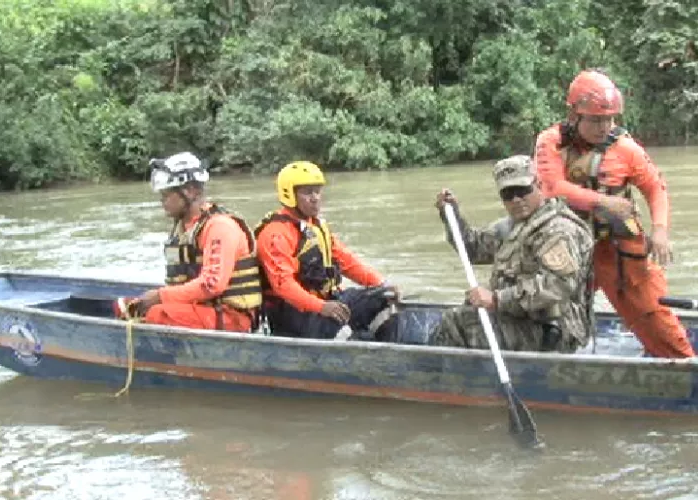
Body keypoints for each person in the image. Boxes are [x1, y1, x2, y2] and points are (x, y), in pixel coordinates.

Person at [534, 69, 695, 358]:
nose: (604, 126)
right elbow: (553, 189)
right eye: (596, 120)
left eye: (610, 119)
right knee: (544, 310)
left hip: (616, 249)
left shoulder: (626, 149)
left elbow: (655, 188)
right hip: (566, 248)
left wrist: (659, 231)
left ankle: (678, 362)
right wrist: (604, 202)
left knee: (653, 315)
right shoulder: (550, 142)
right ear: (574, 115)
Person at [430, 155, 594, 352]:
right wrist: (451, 216)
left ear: (538, 185)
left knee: (456, 321)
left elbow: (558, 284)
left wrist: (497, 299)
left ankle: (437, 377)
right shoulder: (511, 227)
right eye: (508, 194)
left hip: (553, 331)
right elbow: (472, 248)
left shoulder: (558, 230)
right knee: (466, 311)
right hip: (518, 318)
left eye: (522, 190)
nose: (516, 199)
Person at [116, 152, 262, 332]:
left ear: (191, 191)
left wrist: (161, 296)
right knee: (124, 305)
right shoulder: (184, 228)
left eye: (167, 194)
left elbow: (212, 284)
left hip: (232, 316)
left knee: (156, 314)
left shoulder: (220, 227)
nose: (162, 201)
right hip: (202, 308)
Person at [254, 161, 400, 341]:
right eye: (308, 192)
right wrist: (321, 307)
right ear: (290, 195)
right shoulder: (275, 234)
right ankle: (353, 345)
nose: (315, 197)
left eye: (317, 191)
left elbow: (347, 262)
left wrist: (381, 283)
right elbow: (283, 285)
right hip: (293, 315)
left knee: (381, 299)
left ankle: (384, 347)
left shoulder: (316, 226)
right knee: (336, 324)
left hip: (323, 304)